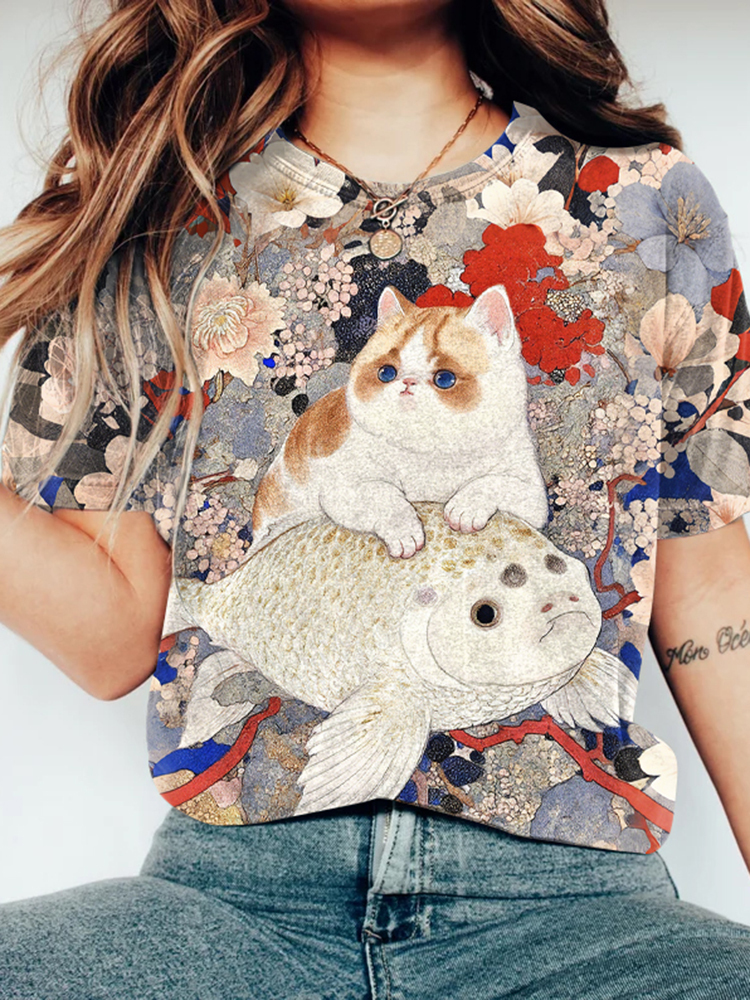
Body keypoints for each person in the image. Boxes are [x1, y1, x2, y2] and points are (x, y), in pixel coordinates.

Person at [1, 0, 749, 996]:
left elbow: (715, 591)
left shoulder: (649, 202)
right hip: (230, 902)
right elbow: (110, 640)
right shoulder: (157, 212)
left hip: (580, 909)